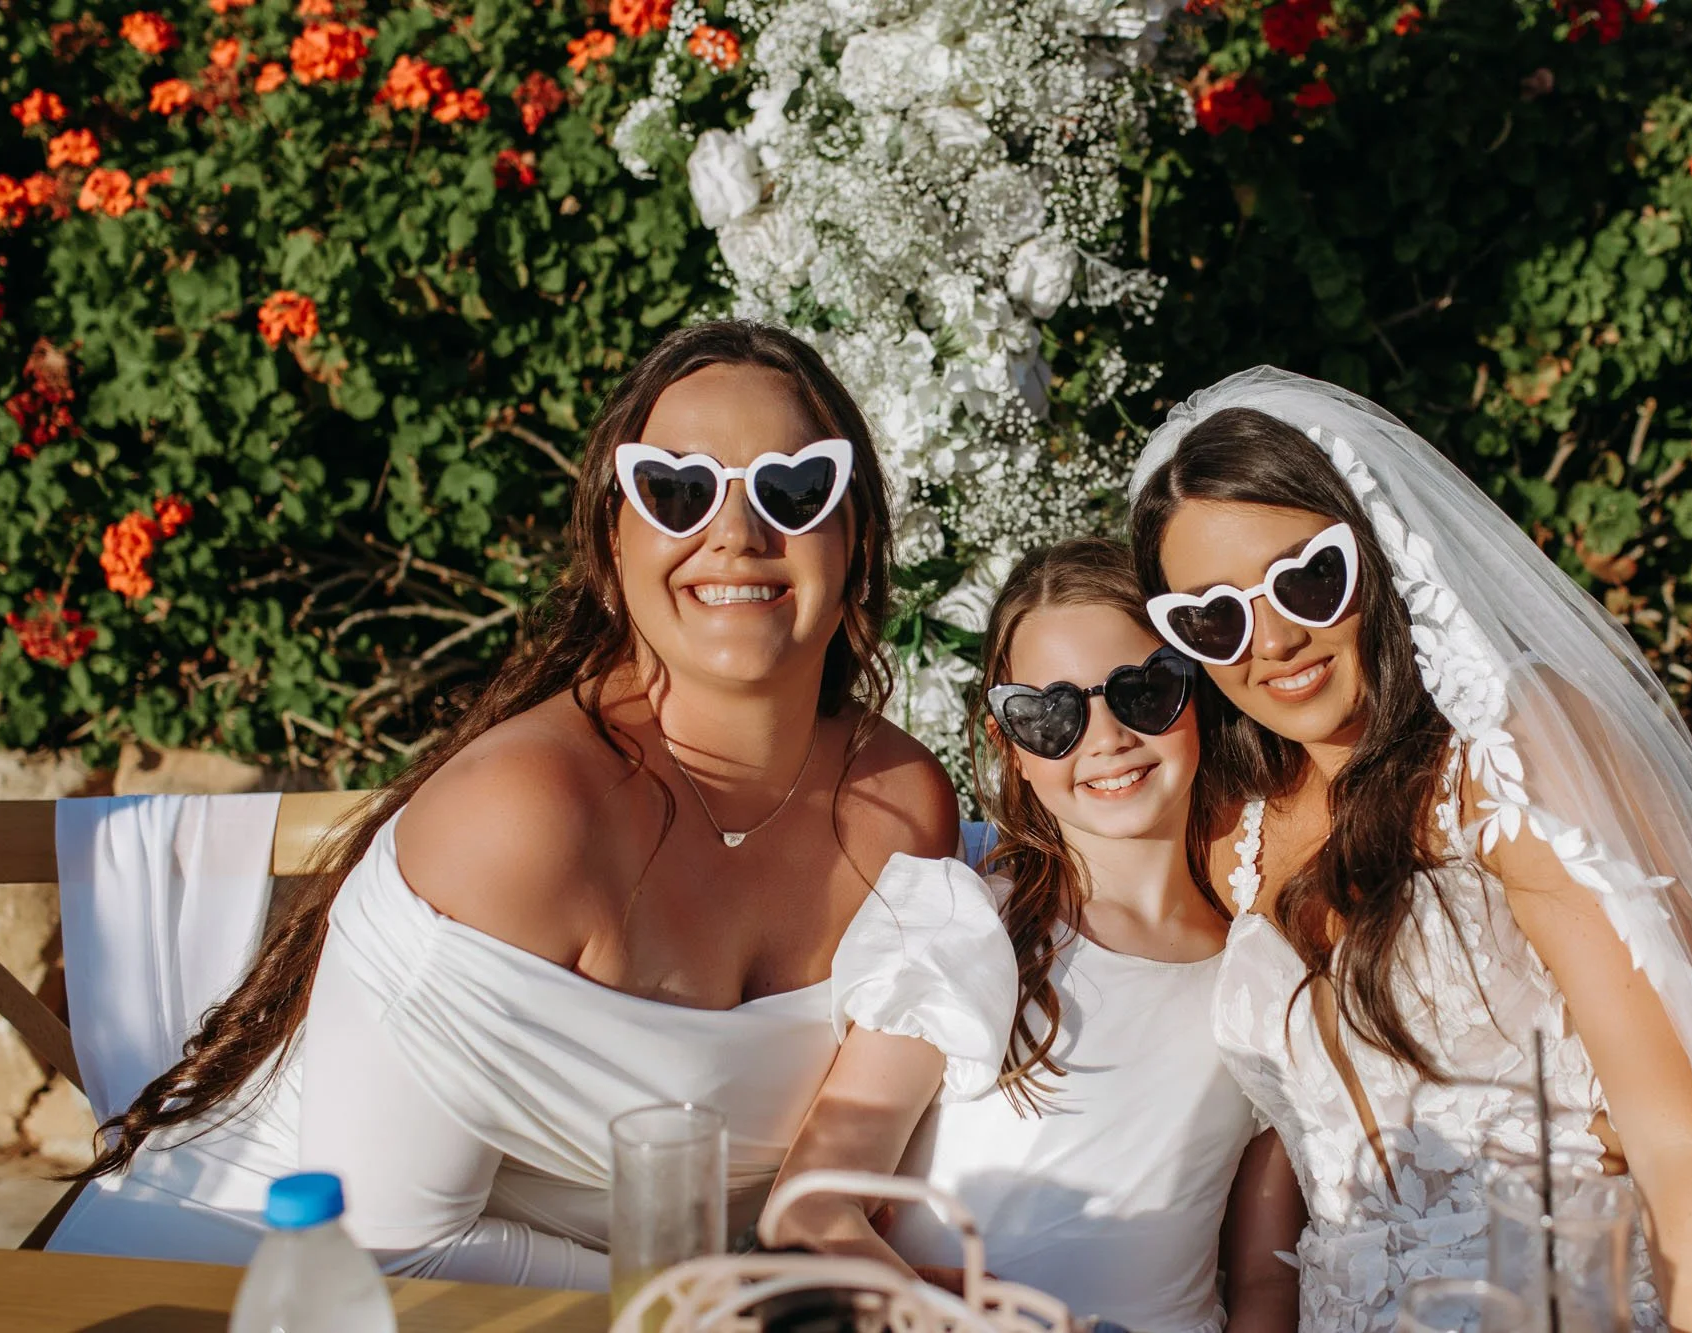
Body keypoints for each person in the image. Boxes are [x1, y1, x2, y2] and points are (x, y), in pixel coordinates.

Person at [50, 321, 1016, 1290]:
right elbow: (393, 1258)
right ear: (613, 537)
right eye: (673, 490)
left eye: (792, 488)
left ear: (852, 536)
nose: (733, 532)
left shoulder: (896, 809)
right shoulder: (524, 821)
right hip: (241, 1288)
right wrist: (729, 1302)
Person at [1128, 368, 1692, 1332]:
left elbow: (1682, 1137)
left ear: (1383, 552)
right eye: (1212, 617)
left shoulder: (1511, 753)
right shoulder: (1228, 823)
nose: (1270, 639)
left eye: (1309, 578)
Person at [768, 537, 1302, 1333]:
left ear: (1199, 690)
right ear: (1008, 747)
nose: (1105, 736)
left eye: (1143, 690)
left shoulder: (1267, 975)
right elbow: (808, 1209)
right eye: (1050, 714)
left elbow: (1265, 1281)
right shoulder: (968, 924)